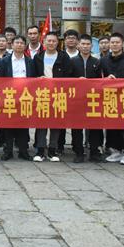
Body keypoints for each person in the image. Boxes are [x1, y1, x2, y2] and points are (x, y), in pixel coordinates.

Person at [33, 31, 74, 162]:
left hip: (58, 94)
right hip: (42, 94)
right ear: (44, 42)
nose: (51, 43)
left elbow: (69, 76)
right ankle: (40, 150)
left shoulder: (64, 57)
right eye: (49, 41)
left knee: (56, 122)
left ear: (58, 43)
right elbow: (32, 76)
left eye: (54, 41)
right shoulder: (38, 57)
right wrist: (38, 78)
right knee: (41, 122)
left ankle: (52, 150)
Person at [101, 32, 124, 165]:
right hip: (110, 98)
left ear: (122, 44)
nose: (115, 45)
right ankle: (115, 150)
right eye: (112, 42)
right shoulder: (104, 60)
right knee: (112, 125)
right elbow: (99, 79)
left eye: (117, 42)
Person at [0, 36, 37, 161]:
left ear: (25, 45)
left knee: (23, 125)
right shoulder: (4, 61)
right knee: (8, 125)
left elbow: (33, 80)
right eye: (17, 43)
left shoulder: (30, 62)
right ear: (12, 45)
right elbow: (0, 80)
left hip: (25, 97)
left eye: (21, 43)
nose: (19, 45)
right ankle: (8, 151)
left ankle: (23, 151)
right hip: (9, 96)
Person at [70, 34, 103, 163]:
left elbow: (101, 81)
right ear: (78, 45)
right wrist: (76, 81)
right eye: (83, 44)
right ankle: (78, 152)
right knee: (76, 127)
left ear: (91, 46)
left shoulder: (97, 62)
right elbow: (66, 80)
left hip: (93, 99)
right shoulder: (72, 61)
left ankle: (94, 151)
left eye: (88, 44)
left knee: (94, 126)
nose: (85, 46)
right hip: (77, 99)